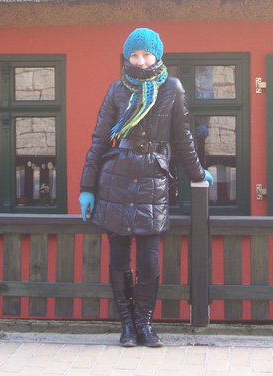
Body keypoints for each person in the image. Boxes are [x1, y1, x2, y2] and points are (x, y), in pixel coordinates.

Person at [79, 27, 214, 348]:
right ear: (127, 58)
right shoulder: (116, 90)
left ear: (158, 56)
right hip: (116, 181)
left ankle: (144, 324)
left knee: (149, 259)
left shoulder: (172, 88)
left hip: (153, 181)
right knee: (119, 257)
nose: (140, 61)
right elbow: (100, 140)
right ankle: (127, 326)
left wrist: (198, 173)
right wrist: (87, 187)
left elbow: (182, 138)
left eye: (146, 55)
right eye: (135, 55)